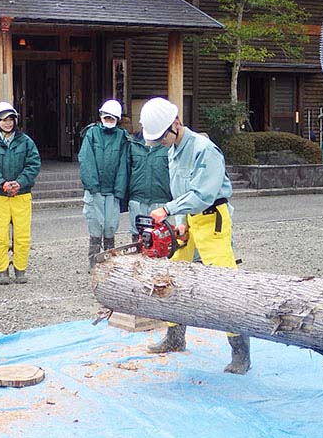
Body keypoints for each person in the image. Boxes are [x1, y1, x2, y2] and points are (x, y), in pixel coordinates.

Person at [139, 97, 250, 375]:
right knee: (173, 277)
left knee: (224, 286)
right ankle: (175, 337)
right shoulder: (172, 150)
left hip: (212, 218)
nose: (160, 142)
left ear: (175, 124)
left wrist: (167, 210)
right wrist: (177, 220)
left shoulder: (205, 150)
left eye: (162, 137)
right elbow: (179, 191)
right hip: (188, 218)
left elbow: (203, 194)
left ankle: (241, 353)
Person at [0, 102, 41, 285]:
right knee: (0, 236)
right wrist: (2, 183)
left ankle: (20, 269)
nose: (7, 123)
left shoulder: (26, 142)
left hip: (22, 194)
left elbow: (33, 165)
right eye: (3, 120)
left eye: (10, 119)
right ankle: (2, 270)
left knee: (22, 235)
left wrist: (19, 182)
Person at [78, 99, 129, 266]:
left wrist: (119, 189)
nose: (108, 120)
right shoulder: (91, 133)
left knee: (110, 227)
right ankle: (93, 263)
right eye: (106, 117)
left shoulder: (122, 137)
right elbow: (86, 160)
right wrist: (92, 185)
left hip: (113, 191)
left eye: (112, 118)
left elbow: (123, 164)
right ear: (100, 116)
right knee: (95, 226)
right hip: (95, 190)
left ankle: (109, 264)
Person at [126, 129, 172, 242]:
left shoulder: (168, 145)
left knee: (160, 236)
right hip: (137, 197)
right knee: (138, 237)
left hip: (161, 198)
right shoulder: (133, 144)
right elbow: (125, 170)